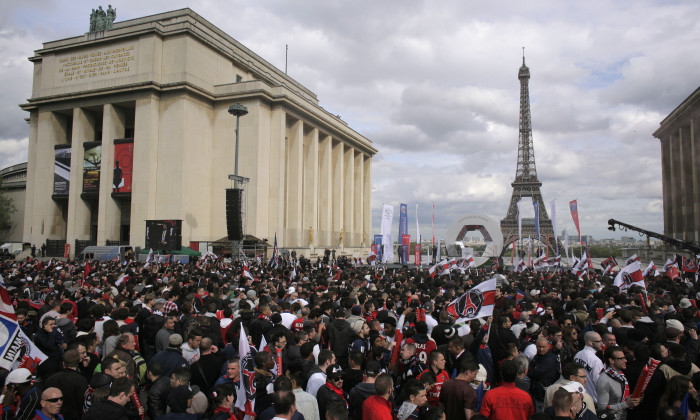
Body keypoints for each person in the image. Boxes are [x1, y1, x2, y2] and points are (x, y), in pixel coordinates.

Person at [596, 346, 640, 420]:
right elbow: (602, 408)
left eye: (624, 358)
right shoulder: (604, 380)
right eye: (621, 359)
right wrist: (626, 404)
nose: (625, 361)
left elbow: (621, 397)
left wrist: (632, 398)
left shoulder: (620, 375)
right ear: (611, 360)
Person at [43, 349, 89, 420]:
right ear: (77, 363)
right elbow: (82, 404)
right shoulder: (81, 380)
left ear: (63, 363)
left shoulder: (51, 379)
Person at [574, 331, 605, 402]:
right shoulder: (596, 360)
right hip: (593, 399)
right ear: (590, 342)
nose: (602, 344)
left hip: (580, 396)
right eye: (598, 341)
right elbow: (599, 383)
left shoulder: (578, 355)